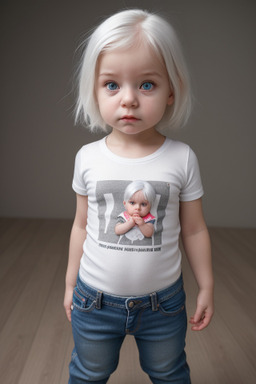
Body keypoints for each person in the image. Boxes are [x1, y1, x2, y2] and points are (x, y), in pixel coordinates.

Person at [64, 8, 214, 384]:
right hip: (93, 301)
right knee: (87, 373)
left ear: (170, 91)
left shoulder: (181, 158)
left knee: (169, 373)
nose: (128, 99)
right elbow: (82, 225)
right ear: (94, 90)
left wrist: (207, 285)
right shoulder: (88, 158)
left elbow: (193, 230)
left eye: (146, 84)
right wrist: (69, 284)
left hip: (162, 304)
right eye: (112, 85)